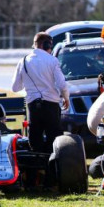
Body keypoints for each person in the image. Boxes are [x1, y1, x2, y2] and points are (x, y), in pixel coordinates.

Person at [11, 32, 70, 186]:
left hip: (33, 108)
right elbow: (62, 84)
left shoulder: (23, 61)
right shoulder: (52, 61)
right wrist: (66, 98)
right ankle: (52, 179)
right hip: (51, 106)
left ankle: (32, 180)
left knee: (34, 144)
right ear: (48, 45)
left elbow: (15, 87)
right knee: (54, 142)